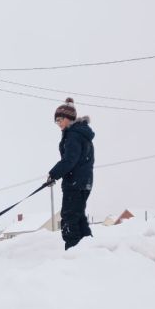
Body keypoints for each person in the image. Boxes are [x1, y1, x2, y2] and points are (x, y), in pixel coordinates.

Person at [47, 97, 95, 250]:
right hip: (83, 182)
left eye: (60, 119)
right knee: (78, 217)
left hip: (75, 183)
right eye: (56, 121)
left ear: (69, 118)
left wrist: (53, 174)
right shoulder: (81, 134)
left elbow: (69, 161)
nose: (58, 123)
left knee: (69, 218)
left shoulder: (73, 135)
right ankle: (88, 249)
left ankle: (73, 253)